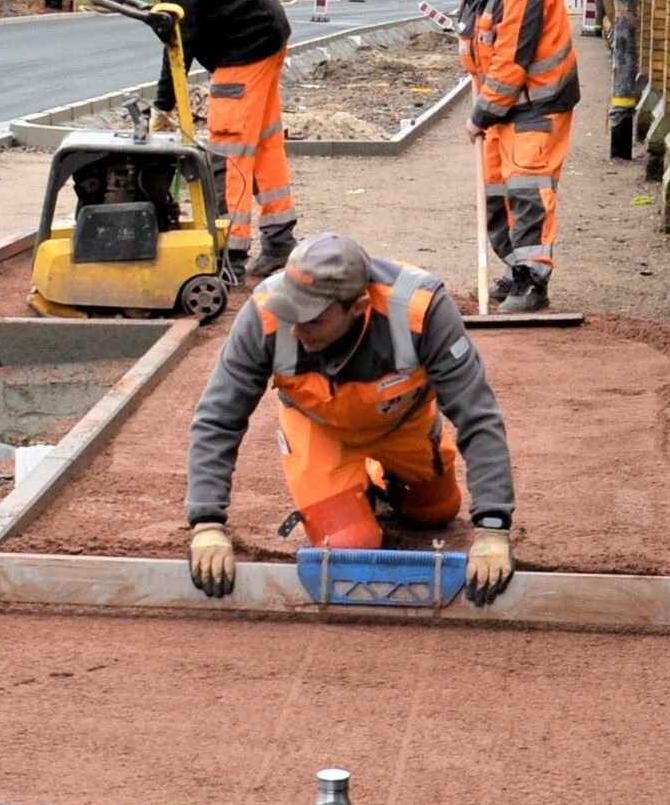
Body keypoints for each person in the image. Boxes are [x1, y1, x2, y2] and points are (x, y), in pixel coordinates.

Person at [184, 230, 516, 602]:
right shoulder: (264, 315)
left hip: (402, 422)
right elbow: (218, 417)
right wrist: (207, 523)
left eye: (311, 319)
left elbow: (478, 416)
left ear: (358, 307)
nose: (295, 329)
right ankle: (351, 490)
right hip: (318, 428)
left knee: (437, 512)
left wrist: (492, 529)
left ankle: (381, 480)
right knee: (347, 546)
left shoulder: (421, 310)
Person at [106, 0, 298, 275]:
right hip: (269, 36)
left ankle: (230, 254)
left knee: (230, 151)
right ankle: (280, 241)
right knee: (262, 142)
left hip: (242, 53)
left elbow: (179, 41)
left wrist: (162, 104)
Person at [459, 0, 579, 315]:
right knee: (495, 189)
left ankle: (533, 279)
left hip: (537, 103)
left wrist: (479, 115)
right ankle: (515, 268)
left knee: (527, 189)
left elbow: (512, 61)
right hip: (501, 100)